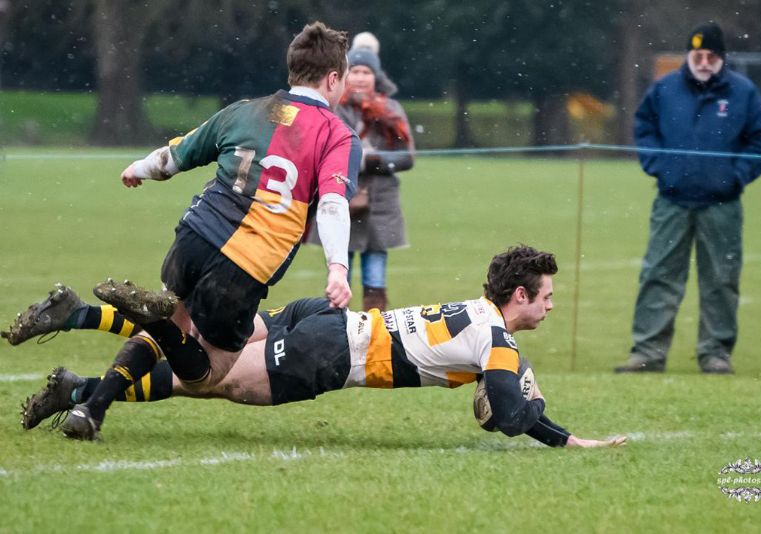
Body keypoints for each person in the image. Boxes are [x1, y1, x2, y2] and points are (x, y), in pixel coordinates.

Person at [49, 22, 363, 439]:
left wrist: (138, 169)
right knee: (207, 373)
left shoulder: (247, 109)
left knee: (171, 327)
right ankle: (146, 323)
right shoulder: (337, 135)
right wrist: (338, 267)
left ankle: (91, 410)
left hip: (194, 236)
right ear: (333, 78)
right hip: (242, 267)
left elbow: (176, 155)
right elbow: (332, 203)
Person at [12, 246, 625, 448]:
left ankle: (80, 379)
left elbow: (508, 402)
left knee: (205, 358)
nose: (551, 305)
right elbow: (508, 421)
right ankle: (150, 331)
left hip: (323, 319)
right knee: (203, 377)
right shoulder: (496, 341)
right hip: (328, 355)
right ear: (521, 295)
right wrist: (542, 416)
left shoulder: (483, 316)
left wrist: (555, 425)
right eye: (546, 296)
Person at [614, 22, 761, 374]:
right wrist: (660, 166)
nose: (704, 61)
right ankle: (647, 352)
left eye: (711, 56)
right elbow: (644, 128)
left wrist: (736, 176)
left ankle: (715, 353)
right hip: (672, 200)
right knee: (658, 275)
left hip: (723, 205)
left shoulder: (743, 92)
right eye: (697, 55)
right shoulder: (664, 89)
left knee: (721, 279)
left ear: (721, 58)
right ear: (689, 55)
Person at [308, 38, 414, 312]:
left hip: (381, 204)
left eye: (366, 72)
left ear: (376, 76)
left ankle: (374, 331)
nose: (360, 77)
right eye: (354, 71)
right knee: (339, 268)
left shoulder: (391, 110)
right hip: (341, 195)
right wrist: (359, 157)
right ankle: (336, 329)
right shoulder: (331, 107)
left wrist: (370, 160)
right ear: (344, 73)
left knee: (375, 278)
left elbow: (407, 157)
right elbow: (320, 147)